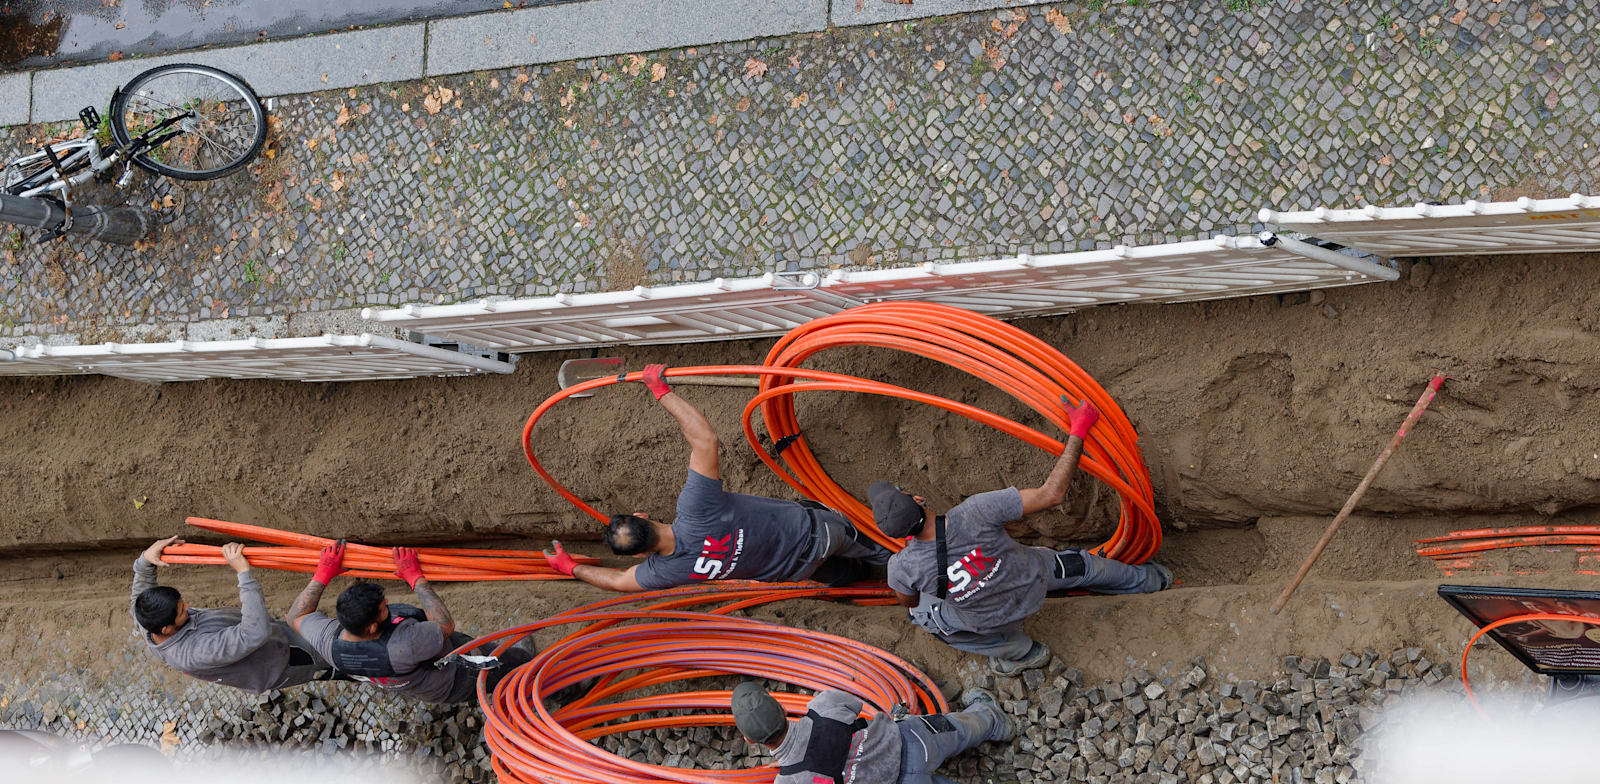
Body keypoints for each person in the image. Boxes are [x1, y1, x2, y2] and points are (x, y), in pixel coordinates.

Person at [876, 396, 1172, 675]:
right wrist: (1079, 429)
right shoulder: (976, 511)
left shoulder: (901, 567)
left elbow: (911, 602)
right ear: (918, 499)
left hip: (990, 621)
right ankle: (1153, 580)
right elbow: (1052, 494)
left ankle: (1024, 653)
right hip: (1032, 583)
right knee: (1080, 565)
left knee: (923, 618)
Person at [544, 364, 889, 592]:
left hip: (799, 569)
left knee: (844, 577)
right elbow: (705, 441)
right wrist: (663, 393)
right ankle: (900, 568)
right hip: (820, 533)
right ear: (642, 516)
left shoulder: (663, 573)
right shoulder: (697, 509)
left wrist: (571, 567)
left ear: (639, 556)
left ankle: (868, 582)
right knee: (877, 548)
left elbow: (619, 582)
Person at [287, 542, 532, 704]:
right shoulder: (405, 644)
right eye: (383, 609)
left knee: (493, 676)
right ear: (372, 627)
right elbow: (445, 625)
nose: (388, 603)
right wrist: (415, 577)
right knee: (501, 666)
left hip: (430, 689)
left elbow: (295, 617)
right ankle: (535, 675)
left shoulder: (330, 644)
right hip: (458, 676)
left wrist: (323, 573)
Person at [130, 535, 337, 692]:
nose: (189, 608)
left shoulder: (147, 620)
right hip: (280, 662)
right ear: (166, 629)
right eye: (182, 611)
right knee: (330, 654)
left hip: (276, 637)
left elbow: (140, 589)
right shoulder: (195, 652)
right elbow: (254, 633)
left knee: (310, 635)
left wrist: (145, 560)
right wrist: (243, 574)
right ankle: (352, 668)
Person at [731, 682, 1012, 784]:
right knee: (963, 728)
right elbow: (855, 705)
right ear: (781, 707)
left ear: (749, 740)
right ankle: (998, 722)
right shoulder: (823, 706)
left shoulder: (788, 782)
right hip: (914, 741)